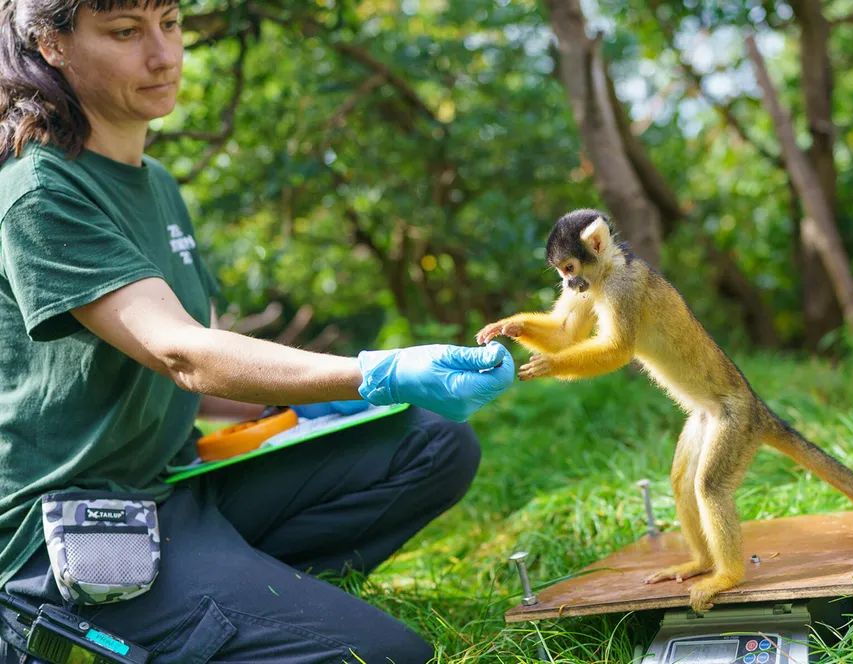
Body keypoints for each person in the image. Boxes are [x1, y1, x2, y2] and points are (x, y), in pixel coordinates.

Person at [0, 1, 515, 662]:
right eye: (126, 32)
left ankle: (246, 604)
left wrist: (322, 398)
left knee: (432, 442)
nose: (163, 55)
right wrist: (373, 370)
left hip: (175, 485)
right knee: (386, 657)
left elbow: (187, 378)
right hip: (74, 534)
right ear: (52, 45)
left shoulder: (153, 181)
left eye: (172, 23)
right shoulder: (39, 189)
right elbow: (180, 351)